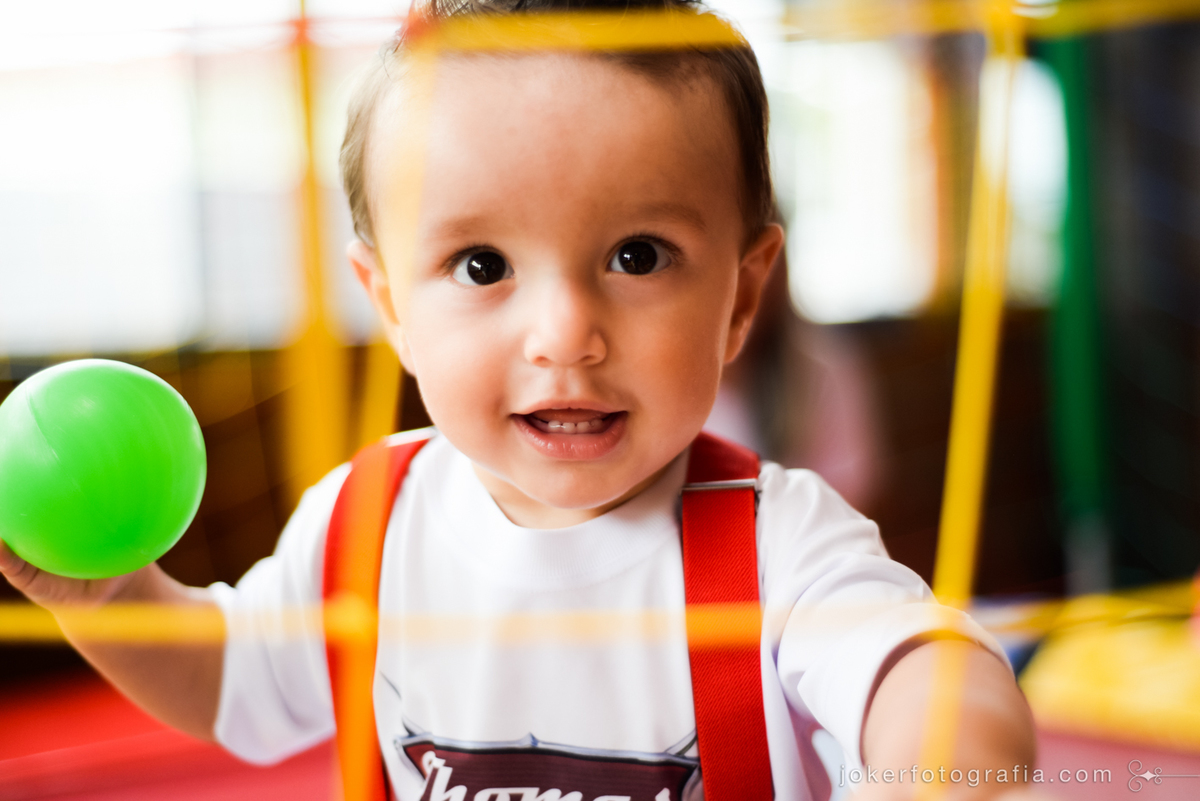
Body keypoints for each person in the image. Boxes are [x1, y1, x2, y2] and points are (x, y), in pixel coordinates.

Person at [0, 1, 1042, 798]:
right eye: (482, 264)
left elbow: (920, 672)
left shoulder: (778, 543)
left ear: (741, 298)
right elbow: (235, 690)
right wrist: (111, 598)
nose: (565, 335)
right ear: (390, 305)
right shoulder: (367, 524)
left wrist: (949, 749)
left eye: (638, 256)